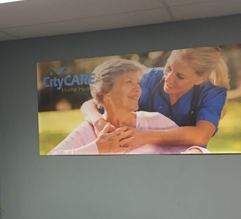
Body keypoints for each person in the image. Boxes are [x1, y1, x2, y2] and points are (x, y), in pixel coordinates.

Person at [80, 47, 230, 152]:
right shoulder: (147, 79)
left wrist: (144, 136)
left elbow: (201, 135)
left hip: (186, 159)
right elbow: (90, 104)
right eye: (169, 68)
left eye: (180, 76)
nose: (168, 79)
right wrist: (98, 122)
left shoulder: (212, 92)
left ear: (201, 78)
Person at [48, 59, 209, 155]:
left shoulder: (155, 121)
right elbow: (52, 159)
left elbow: (193, 152)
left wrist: (195, 151)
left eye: (137, 83)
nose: (137, 89)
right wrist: (98, 148)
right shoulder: (88, 130)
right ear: (106, 92)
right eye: (128, 82)